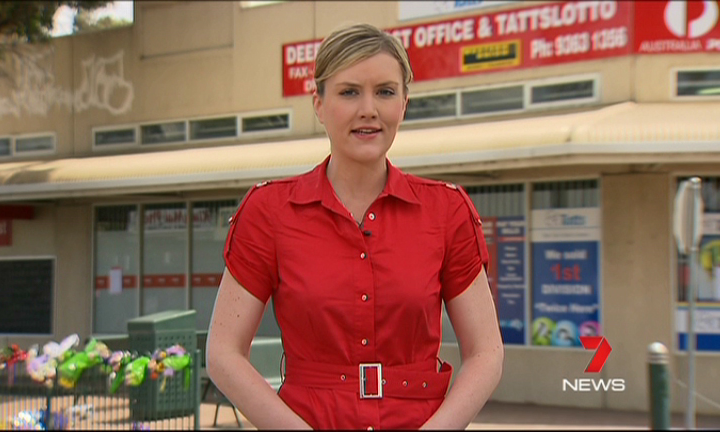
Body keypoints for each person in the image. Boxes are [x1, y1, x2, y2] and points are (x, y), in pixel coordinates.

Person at [206, 23, 504, 430]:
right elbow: (223, 353)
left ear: (404, 104)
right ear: (318, 104)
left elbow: (486, 353)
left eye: (385, 92)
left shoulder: (446, 211)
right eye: (349, 92)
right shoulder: (269, 212)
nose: (369, 109)